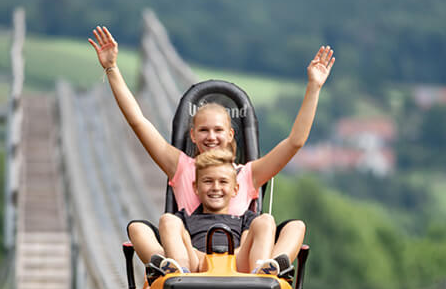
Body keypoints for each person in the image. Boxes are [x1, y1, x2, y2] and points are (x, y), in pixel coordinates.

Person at [88, 25, 334, 275]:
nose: (211, 137)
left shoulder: (248, 174)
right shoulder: (181, 167)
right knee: (140, 228)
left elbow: (294, 142)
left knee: (293, 226)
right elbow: (138, 122)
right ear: (192, 135)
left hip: (240, 260)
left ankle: (269, 269)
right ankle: (172, 270)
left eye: (218, 130)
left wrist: (313, 87)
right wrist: (112, 69)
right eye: (204, 130)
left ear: (230, 134)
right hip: (192, 257)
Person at [154, 149, 280, 275]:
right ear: (196, 188)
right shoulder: (185, 218)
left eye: (223, 182)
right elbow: (183, 243)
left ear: (235, 189)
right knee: (168, 220)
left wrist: (221, 260)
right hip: (196, 267)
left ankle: (261, 272)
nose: (215, 188)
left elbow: (244, 248)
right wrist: (207, 259)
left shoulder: (245, 218)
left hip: (236, 266)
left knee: (266, 220)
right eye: (208, 181)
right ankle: (180, 271)